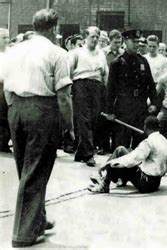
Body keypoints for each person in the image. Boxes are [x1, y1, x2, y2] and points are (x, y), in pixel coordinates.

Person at [1, 9, 74, 247]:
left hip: (16, 109)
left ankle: (38, 220)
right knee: (36, 171)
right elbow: (64, 96)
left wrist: (16, 109)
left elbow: (5, 86)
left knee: (26, 168)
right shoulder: (57, 52)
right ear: (53, 29)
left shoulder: (14, 49)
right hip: (42, 110)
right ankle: (23, 235)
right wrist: (70, 127)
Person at [105, 29, 159, 149]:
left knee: (140, 143)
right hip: (123, 109)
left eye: (138, 42)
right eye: (134, 42)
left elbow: (150, 84)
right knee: (121, 143)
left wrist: (154, 103)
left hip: (140, 108)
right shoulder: (117, 63)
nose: (137, 44)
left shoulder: (143, 61)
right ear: (125, 41)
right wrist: (110, 111)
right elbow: (110, 89)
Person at [88, 116, 167, 193]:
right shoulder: (165, 141)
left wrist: (109, 163)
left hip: (145, 183)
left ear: (145, 127)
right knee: (125, 151)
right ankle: (119, 179)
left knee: (118, 156)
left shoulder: (148, 142)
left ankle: (104, 183)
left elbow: (132, 159)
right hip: (156, 183)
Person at [69, 26, 108, 167]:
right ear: (85, 37)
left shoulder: (101, 54)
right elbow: (70, 71)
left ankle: (81, 151)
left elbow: (105, 73)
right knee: (84, 119)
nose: (95, 39)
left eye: (97, 37)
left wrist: (104, 89)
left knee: (93, 119)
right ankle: (89, 154)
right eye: (92, 37)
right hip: (81, 85)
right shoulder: (77, 52)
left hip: (96, 86)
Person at [0, 28, 10, 152]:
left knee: (6, 114)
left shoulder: (12, 53)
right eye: (4, 38)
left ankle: (4, 141)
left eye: (8, 37)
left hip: (9, 86)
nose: (7, 40)